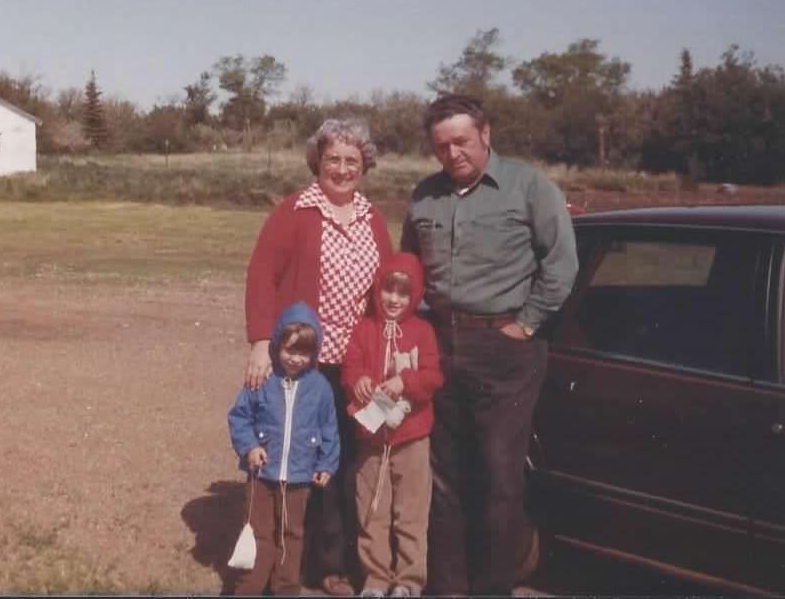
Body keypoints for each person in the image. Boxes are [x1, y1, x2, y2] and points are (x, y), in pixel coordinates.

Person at [400, 93, 578, 596]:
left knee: (501, 480)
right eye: (441, 146)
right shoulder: (425, 196)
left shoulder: (529, 187)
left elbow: (561, 264)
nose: (452, 153)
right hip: (441, 346)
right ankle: (448, 586)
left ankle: (493, 587)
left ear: (485, 135)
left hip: (506, 351)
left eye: (461, 141)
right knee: (444, 479)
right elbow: (409, 268)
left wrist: (525, 324)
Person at [244, 118, 394, 595]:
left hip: (359, 365)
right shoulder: (295, 211)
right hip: (305, 363)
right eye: (334, 159)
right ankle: (290, 562)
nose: (343, 169)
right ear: (318, 162)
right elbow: (261, 276)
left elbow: (390, 287)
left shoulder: (372, 217)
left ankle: (336, 563)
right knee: (299, 458)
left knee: (350, 459)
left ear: (364, 166)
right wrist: (258, 343)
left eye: (353, 160)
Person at [342, 252, 443, 598]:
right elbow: (351, 367)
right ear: (377, 289)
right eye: (388, 290)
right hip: (372, 438)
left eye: (403, 293)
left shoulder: (423, 331)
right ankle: (375, 578)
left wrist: (406, 382)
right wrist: (358, 381)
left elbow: (433, 377)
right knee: (372, 510)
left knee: (411, 513)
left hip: (412, 438)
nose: (394, 300)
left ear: (415, 296)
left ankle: (409, 581)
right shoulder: (363, 328)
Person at [227, 301, 340, 596]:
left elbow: (329, 429)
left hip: (299, 477)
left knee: (292, 535)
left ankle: (285, 588)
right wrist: (249, 447)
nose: (295, 359)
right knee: (259, 533)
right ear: (277, 345)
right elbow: (240, 417)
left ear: (314, 353)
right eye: (289, 350)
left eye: (303, 352)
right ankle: (250, 587)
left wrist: (327, 464)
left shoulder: (320, 388)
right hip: (262, 476)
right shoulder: (263, 381)